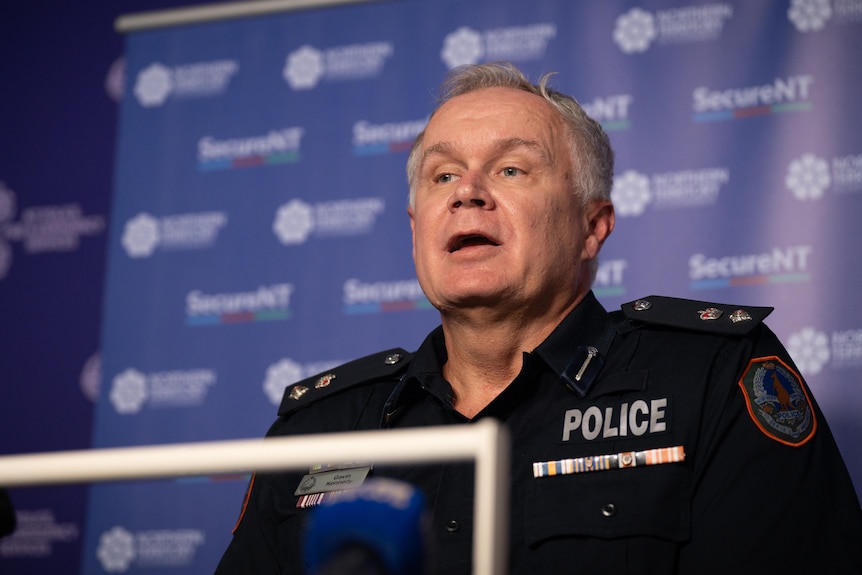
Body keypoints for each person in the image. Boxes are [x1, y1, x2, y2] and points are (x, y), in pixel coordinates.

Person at [216, 62, 862, 574]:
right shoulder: (320, 427)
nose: (467, 192)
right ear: (416, 228)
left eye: (511, 168)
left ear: (592, 226)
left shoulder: (712, 374)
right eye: (442, 176)